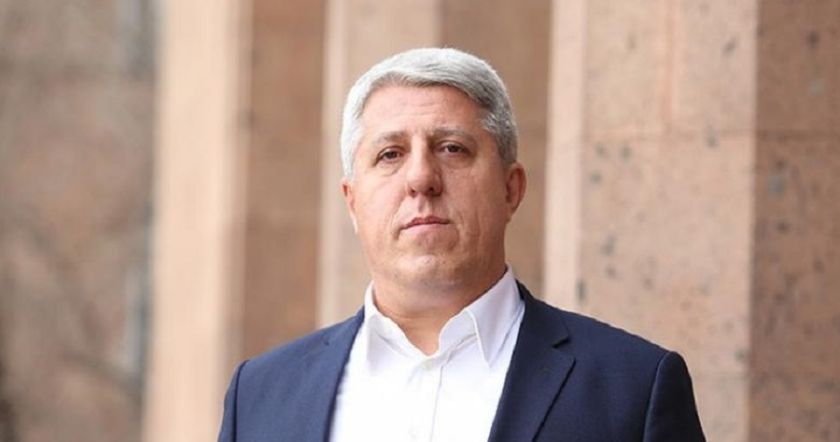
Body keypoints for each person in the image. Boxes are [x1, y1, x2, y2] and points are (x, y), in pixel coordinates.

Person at [218, 47, 705, 442]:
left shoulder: (633, 388)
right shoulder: (260, 397)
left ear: (510, 189)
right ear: (352, 202)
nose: (421, 178)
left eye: (452, 148)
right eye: (390, 154)